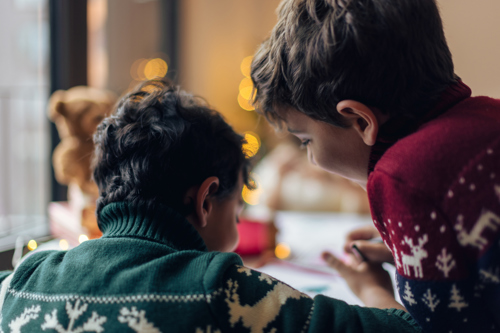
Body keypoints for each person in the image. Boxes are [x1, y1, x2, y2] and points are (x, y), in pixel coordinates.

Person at [0, 79, 420, 332]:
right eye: (236, 210)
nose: (237, 225)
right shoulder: (220, 288)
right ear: (205, 200)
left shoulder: (26, 277)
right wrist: (373, 288)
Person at [250, 0, 500, 332]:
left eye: (305, 140)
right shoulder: (489, 115)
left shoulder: (402, 178)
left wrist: (373, 291)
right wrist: (407, 252)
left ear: (360, 121)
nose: (310, 158)